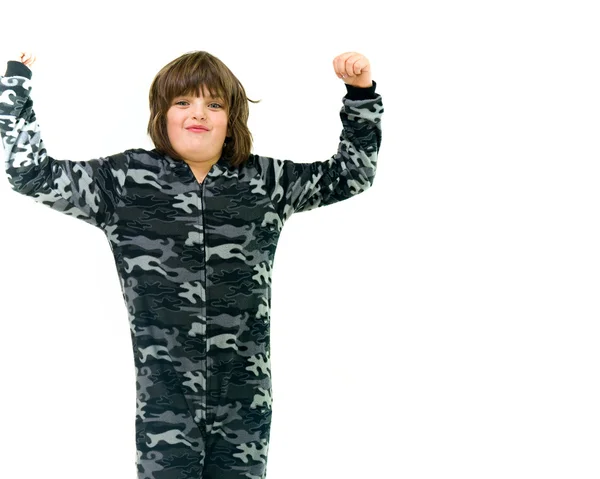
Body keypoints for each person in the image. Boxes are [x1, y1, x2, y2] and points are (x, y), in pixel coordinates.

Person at [0, 50, 384, 479]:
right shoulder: (123, 181)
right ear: (162, 115)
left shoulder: (266, 181)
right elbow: (30, 173)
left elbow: (353, 174)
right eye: (183, 102)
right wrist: (15, 85)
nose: (198, 113)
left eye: (214, 104)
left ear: (231, 119)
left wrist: (360, 92)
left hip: (244, 405)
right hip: (165, 408)